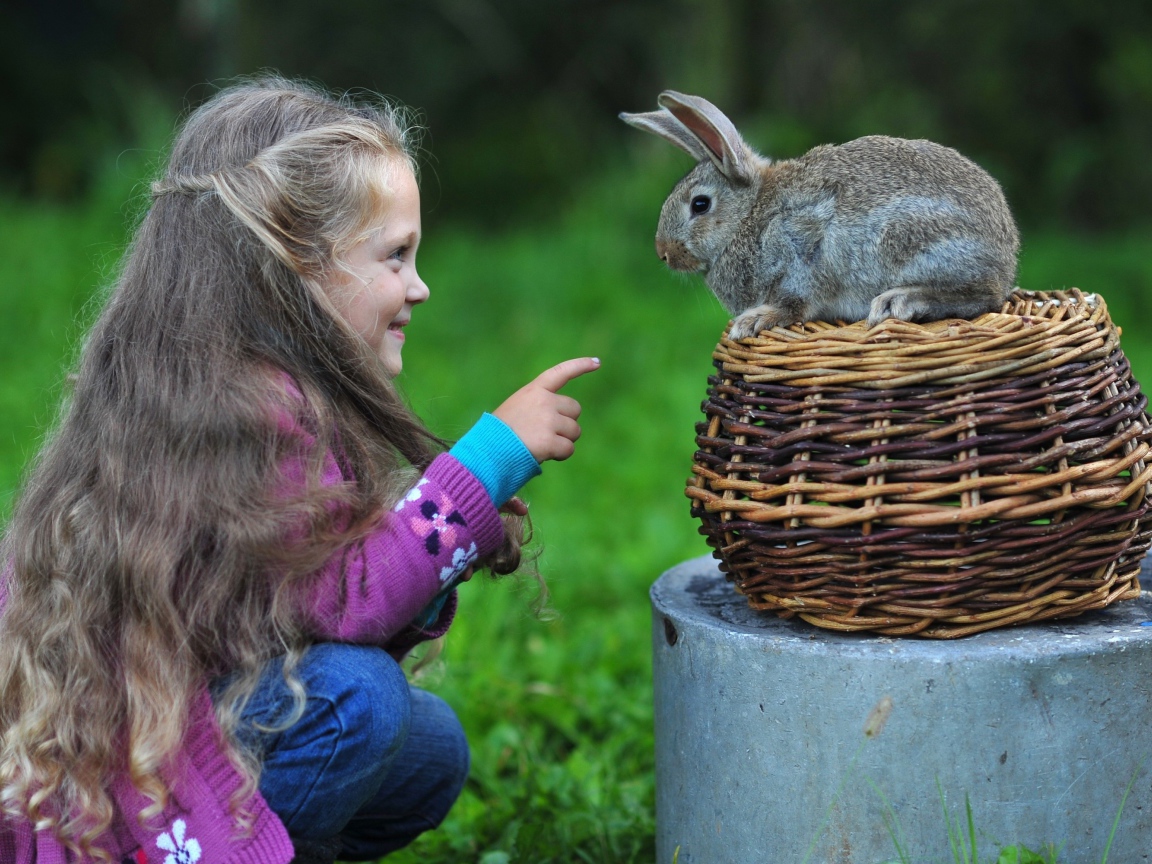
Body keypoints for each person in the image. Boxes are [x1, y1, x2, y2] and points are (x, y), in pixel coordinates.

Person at [0, 76, 598, 864]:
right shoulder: (246, 406)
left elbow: (293, 618)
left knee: (431, 751)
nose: (420, 286)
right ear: (296, 263)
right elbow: (346, 602)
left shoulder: (207, 385)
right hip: (133, 773)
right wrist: (484, 469)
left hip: (179, 726)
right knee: (361, 703)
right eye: (396, 256)